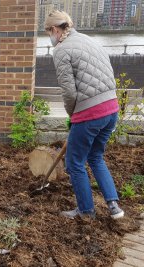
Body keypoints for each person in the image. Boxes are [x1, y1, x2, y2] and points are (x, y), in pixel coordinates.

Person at [45, 10, 124, 220]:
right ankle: (114, 206)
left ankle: (86, 211)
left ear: (54, 29)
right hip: (111, 109)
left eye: (48, 33)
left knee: (74, 163)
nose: (50, 37)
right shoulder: (89, 40)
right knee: (96, 156)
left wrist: (73, 116)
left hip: (90, 113)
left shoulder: (61, 50)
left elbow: (69, 91)